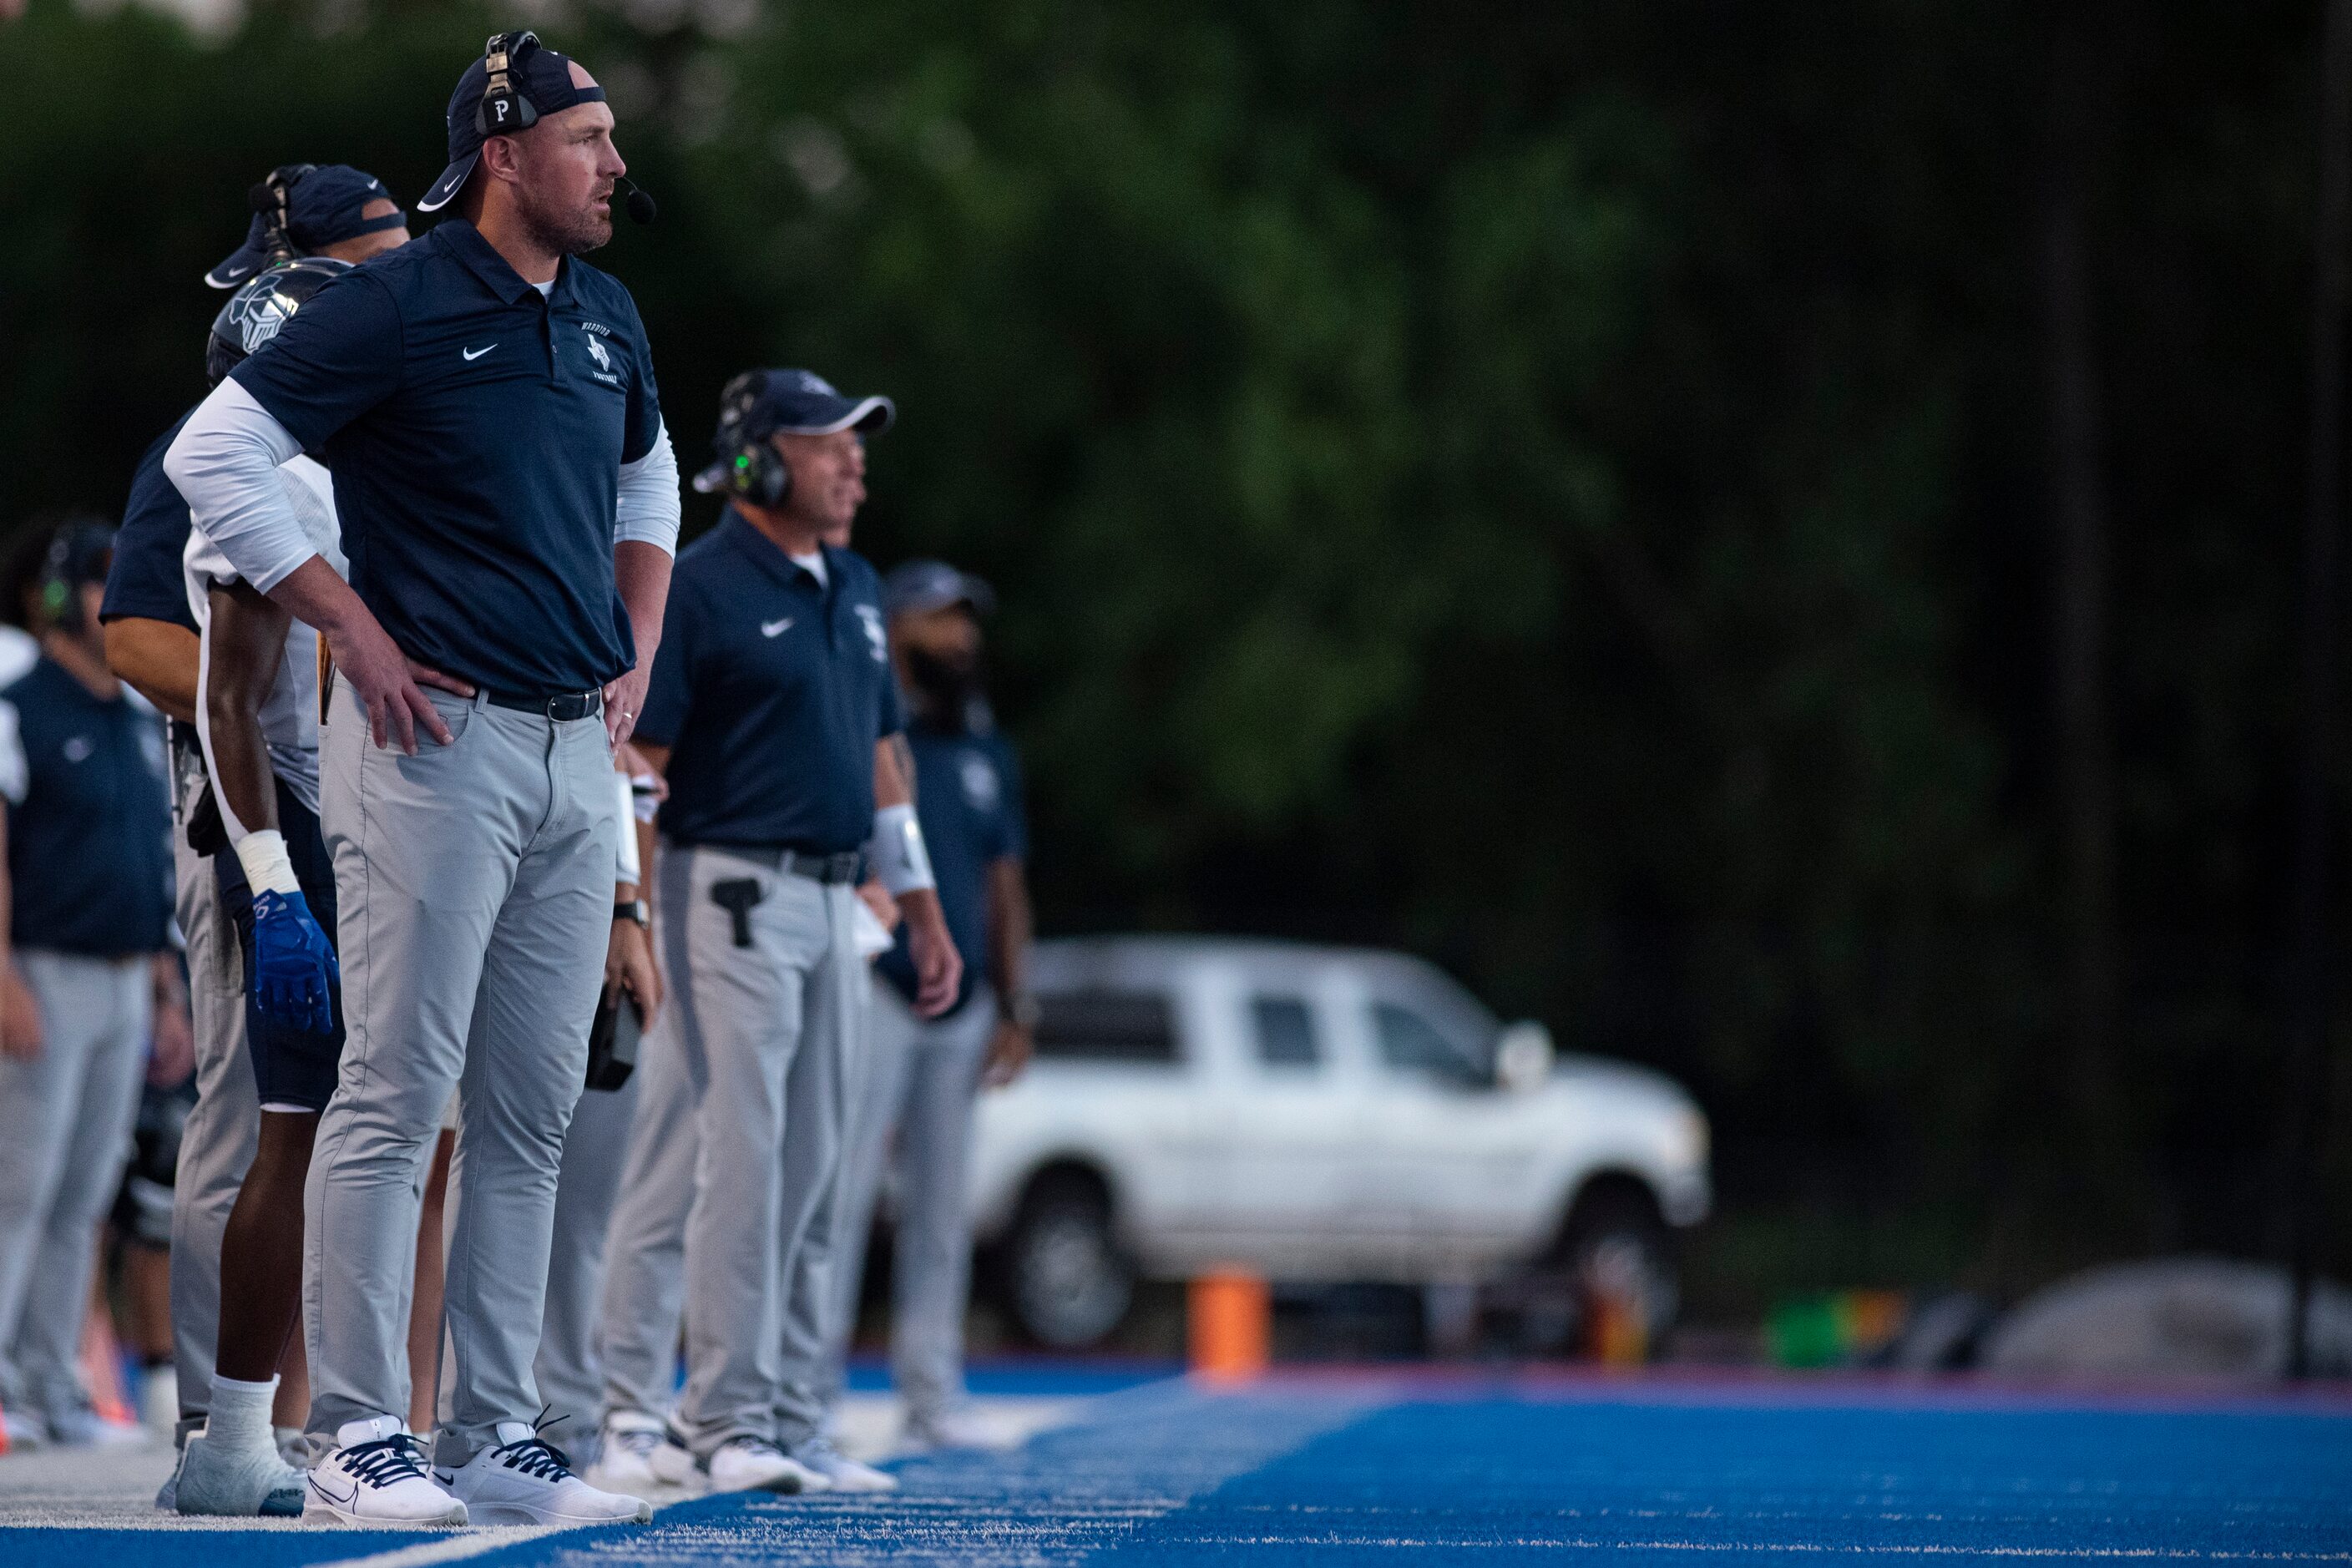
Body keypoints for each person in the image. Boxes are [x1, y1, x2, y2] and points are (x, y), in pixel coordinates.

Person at [164, 31, 678, 1527]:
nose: (614, 165)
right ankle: (360, 1423)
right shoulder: (393, 299)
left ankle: (493, 1423)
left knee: (527, 1110)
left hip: (575, 741)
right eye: (589, 138)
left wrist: (637, 631)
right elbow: (218, 453)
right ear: (505, 152)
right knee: (393, 1093)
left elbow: (647, 476)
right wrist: (351, 624)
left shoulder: (606, 312)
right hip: (434, 741)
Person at [99, 163, 414, 1490]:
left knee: (379, 1110)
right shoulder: (227, 430)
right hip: (250, 802)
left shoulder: (390, 425)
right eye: (383, 253)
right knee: (250, 1106)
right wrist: (285, 759)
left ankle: (346, 1408)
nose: (405, 273)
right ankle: (215, 1419)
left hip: (372, 802)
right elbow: (135, 632)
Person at [589, 369, 958, 1498]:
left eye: (858, 444)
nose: (854, 462)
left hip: (837, 896)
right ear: (756, 459)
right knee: (735, 1164)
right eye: (828, 442)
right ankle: (708, 1415)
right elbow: (638, 761)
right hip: (730, 887)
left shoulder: (850, 584)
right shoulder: (697, 587)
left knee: (812, 1167)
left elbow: (883, 756)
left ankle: (788, 1413)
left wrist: (923, 902)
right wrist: (632, 913)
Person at [824, 559, 1036, 1452]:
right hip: (881, 983)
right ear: (898, 628)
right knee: (840, 1194)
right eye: (940, 622)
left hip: (965, 1004)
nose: (960, 640)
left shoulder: (986, 751)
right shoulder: (870, 728)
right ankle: (808, 1393)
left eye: (965, 623)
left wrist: (1017, 1003)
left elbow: (1005, 884)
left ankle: (932, 1387)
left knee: (944, 1207)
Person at [0, 523, 181, 1449]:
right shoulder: (19, 705)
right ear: (69, 599)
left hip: (122, 977)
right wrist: (3, 978)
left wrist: (163, 984)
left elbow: (148, 858)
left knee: (87, 1193)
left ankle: (50, 1385)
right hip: (43, 966)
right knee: (19, 1186)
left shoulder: (138, 716)